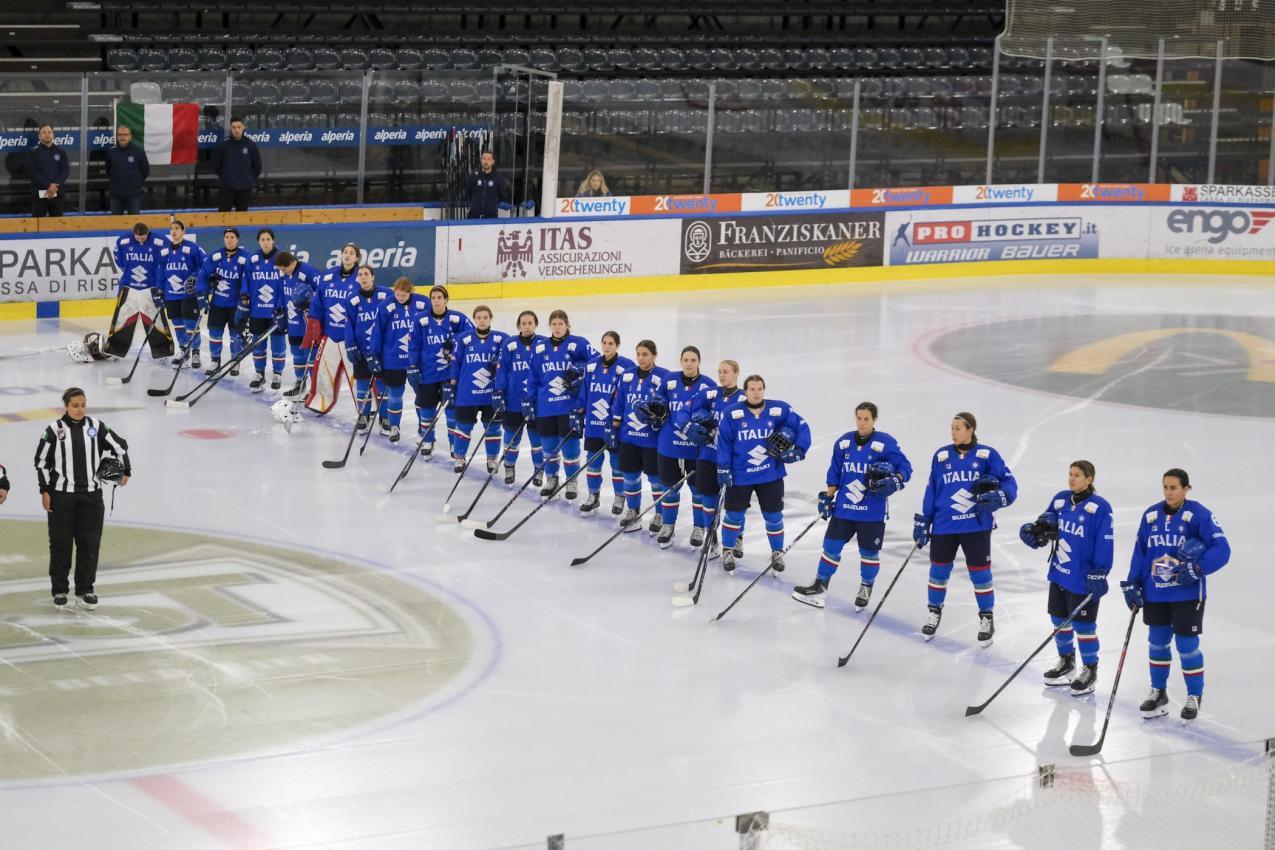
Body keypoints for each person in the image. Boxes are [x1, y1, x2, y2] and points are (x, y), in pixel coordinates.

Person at [1121, 468, 1230, 722]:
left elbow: (1222, 548)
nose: (1169, 492)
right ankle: (1159, 692)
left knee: (1186, 645)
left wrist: (1198, 567)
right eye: (1165, 487)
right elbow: (1141, 551)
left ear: (1186, 488)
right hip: (1156, 591)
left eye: (1174, 488)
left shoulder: (1198, 515)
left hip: (1186, 593)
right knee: (1157, 642)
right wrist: (1133, 583)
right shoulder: (1150, 516)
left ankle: (1194, 695)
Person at [792, 401, 912, 610]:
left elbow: (905, 467)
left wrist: (897, 479)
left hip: (871, 512)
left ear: (874, 420)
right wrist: (828, 498)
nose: (862, 422)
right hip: (844, 509)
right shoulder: (844, 443)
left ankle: (866, 586)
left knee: (868, 553)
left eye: (866, 419)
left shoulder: (885, 443)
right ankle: (820, 586)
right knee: (830, 546)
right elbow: (835, 473)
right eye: (859, 418)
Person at [913, 412, 1017, 646]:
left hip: (975, 526)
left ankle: (986, 617)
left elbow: (1009, 483)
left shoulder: (987, 455)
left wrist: (1002, 495)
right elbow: (932, 490)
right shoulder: (940, 456)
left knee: (980, 574)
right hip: (944, 525)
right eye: (952, 428)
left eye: (958, 428)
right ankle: (934, 612)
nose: (953, 432)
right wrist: (924, 519)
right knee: (938, 572)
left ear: (971, 429)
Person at [1020, 460, 1114, 695]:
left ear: (1089, 479)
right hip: (1060, 573)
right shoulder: (1061, 499)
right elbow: (1046, 523)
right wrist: (1036, 533)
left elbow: (1105, 542)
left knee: (1084, 626)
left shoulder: (1100, 508)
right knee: (1058, 619)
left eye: (1078, 475)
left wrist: (1100, 571)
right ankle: (1066, 661)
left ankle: (1090, 669)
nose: (1072, 479)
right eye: (1070, 474)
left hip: (1084, 578)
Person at [33, 387, 130, 611]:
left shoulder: (96, 427)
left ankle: (85, 590)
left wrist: (126, 469)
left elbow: (120, 446)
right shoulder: (53, 430)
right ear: (66, 406)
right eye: (75, 405)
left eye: (83, 405)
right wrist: (45, 490)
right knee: (61, 545)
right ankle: (59, 590)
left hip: (92, 497)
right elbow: (41, 462)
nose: (80, 409)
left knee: (89, 544)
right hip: (61, 496)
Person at [715, 375, 811, 573]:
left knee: (774, 516)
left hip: (770, 475)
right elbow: (724, 443)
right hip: (740, 475)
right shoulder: (732, 413)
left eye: (759, 389)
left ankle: (777, 552)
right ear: (745, 391)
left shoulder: (779, 410)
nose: (756, 392)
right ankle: (728, 550)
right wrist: (723, 467)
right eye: (752, 389)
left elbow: (801, 426)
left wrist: (800, 449)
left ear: (764, 390)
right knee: (733, 515)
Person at [525, 309, 596, 497]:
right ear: (550, 326)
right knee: (548, 445)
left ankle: (572, 481)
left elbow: (597, 363)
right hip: (545, 405)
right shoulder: (540, 347)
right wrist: (529, 399)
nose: (557, 328)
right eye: (554, 324)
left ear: (567, 325)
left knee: (570, 446)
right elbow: (533, 376)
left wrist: (580, 371)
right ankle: (552, 478)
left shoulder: (579, 344)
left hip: (569, 406)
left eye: (561, 324)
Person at [652, 346, 716, 548]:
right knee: (669, 488)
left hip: (695, 450)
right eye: (686, 359)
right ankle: (669, 525)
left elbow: (715, 416)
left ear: (699, 362)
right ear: (681, 361)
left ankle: (698, 527)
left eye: (693, 360)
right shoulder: (670, 380)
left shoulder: (708, 385)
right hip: (669, 445)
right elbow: (657, 403)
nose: (689, 363)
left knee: (698, 491)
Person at [681, 360, 742, 557]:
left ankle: (737, 538)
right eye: (720, 372)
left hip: (733, 460)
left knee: (735, 504)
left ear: (736, 374)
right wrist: (699, 416)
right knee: (708, 500)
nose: (722, 375)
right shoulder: (711, 393)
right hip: (708, 455)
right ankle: (711, 536)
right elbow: (691, 406)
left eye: (726, 372)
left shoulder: (743, 398)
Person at [610, 340, 670, 531]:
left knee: (655, 479)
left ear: (654, 355)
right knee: (629, 476)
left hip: (651, 439)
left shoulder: (664, 376)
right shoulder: (627, 375)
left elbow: (668, 406)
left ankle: (659, 513)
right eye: (638, 354)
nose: (641, 358)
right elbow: (620, 401)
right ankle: (633, 510)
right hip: (629, 437)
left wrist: (661, 417)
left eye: (645, 354)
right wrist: (614, 426)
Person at [408, 285, 472, 457]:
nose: (436, 301)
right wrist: (413, 366)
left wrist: (454, 339)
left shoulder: (457, 319)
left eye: (439, 297)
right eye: (433, 298)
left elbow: (472, 335)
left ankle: (453, 443)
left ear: (446, 300)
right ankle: (428, 440)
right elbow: (413, 344)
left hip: (449, 375)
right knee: (427, 408)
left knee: (451, 410)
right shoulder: (421, 319)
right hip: (428, 373)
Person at [578, 331, 634, 517]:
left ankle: (620, 497)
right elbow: (585, 391)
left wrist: (620, 420)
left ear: (617, 345)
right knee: (593, 462)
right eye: (604, 342)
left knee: (617, 464)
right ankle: (593, 496)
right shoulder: (591, 365)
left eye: (611, 343)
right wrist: (579, 411)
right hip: (594, 424)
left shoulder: (626, 366)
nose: (607, 346)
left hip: (615, 426)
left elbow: (628, 397)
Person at [449, 306, 508, 473]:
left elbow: (509, 362)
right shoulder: (463, 339)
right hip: (467, 392)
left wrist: (501, 362)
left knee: (494, 427)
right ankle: (459, 458)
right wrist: (452, 383)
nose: (482, 320)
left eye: (485, 317)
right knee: (463, 426)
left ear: (490, 319)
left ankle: (491, 459)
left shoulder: (501, 339)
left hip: (491, 393)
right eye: (479, 317)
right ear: (474, 319)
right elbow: (456, 362)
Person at [305, 243, 361, 413]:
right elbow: (318, 302)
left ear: (357, 257)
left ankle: (367, 407)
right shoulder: (329, 275)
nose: (348, 255)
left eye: (352, 253)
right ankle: (320, 401)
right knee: (322, 371)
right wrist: (315, 326)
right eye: (345, 252)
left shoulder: (362, 277)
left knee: (359, 375)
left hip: (352, 338)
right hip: (330, 335)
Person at [106, 222, 173, 360]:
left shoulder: (161, 241)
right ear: (133, 233)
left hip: (151, 288)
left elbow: (169, 261)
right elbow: (119, 260)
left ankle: (163, 352)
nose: (140, 240)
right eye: (137, 238)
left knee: (156, 321)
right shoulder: (123, 241)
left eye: (143, 238)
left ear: (148, 232)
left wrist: (162, 285)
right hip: (128, 287)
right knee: (122, 319)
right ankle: (116, 350)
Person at [369, 278, 425, 442]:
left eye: (403, 295)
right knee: (394, 394)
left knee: (422, 395)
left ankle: (424, 426)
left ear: (410, 293)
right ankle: (394, 426)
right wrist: (374, 353)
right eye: (397, 294)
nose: (399, 298)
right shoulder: (386, 306)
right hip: (392, 359)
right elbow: (377, 330)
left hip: (417, 360)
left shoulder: (423, 303)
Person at [494, 310, 546, 486]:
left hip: (536, 402)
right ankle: (509, 467)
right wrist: (499, 391)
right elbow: (502, 370)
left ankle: (539, 471)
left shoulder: (543, 344)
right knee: (511, 437)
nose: (527, 326)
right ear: (518, 325)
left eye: (530, 323)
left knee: (536, 439)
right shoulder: (509, 345)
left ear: (535, 324)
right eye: (523, 323)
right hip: (513, 400)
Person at [195, 227, 250, 377]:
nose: (229, 239)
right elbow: (203, 276)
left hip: (236, 305)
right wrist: (202, 294)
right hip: (218, 304)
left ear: (237, 239)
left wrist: (245, 298)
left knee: (235, 335)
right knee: (215, 333)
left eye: (232, 237)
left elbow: (249, 279)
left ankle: (235, 361)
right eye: (227, 237)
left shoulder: (245, 258)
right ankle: (215, 361)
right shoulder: (215, 256)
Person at [343, 265, 391, 433]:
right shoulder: (352, 299)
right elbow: (349, 324)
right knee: (363, 383)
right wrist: (350, 346)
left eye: (366, 274)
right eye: (360, 275)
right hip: (362, 350)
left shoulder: (387, 295)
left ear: (373, 276)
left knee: (382, 383)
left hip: (381, 350)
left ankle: (385, 416)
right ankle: (363, 414)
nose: (363, 277)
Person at [242, 229, 289, 392]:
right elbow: (246, 280)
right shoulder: (252, 259)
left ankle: (277, 374)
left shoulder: (282, 258)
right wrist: (244, 297)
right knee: (258, 344)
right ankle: (259, 374)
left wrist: (283, 306)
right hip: (257, 310)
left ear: (273, 240)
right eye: (262, 239)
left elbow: (287, 283)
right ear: (258, 242)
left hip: (276, 311)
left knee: (277, 343)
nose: (265, 242)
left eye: (268, 239)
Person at [273, 250, 323, 399]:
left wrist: (310, 302)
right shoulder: (283, 274)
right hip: (293, 321)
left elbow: (322, 293)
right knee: (297, 354)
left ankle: (316, 391)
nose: (282, 272)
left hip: (308, 323)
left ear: (292, 262)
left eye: (284, 268)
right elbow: (281, 293)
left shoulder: (309, 271)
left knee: (310, 356)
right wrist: (279, 310)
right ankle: (300, 384)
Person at [157, 219, 207, 369]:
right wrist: (160, 291)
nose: (174, 231)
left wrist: (196, 277)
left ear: (183, 231)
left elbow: (205, 266)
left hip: (188, 295)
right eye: (172, 228)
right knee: (178, 324)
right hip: (171, 294)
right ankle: (184, 350)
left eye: (177, 228)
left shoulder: (193, 248)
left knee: (190, 324)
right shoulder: (164, 251)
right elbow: (160, 272)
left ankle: (196, 352)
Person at [210, 116, 262, 212]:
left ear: (243, 127)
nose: (236, 130)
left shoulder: (251, 145)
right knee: (223, 218)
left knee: (242, 219)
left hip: (244, 189)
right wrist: (226, 179)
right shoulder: (223, 146)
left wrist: (248, 179)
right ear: (230, 128)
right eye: (234, 127)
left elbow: (257, 167)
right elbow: (216, 166)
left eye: (239, 127)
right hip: (226, 188)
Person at [104, 125, 149, 215]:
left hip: (133, 194)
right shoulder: (111, 152)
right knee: (116, 223)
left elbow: (145, 171)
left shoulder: (138, 152)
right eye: (120, 135)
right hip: (116, 194)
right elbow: (108, 170)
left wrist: (136, 184)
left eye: (125, 134)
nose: (122, 137)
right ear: (117, 136)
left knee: (134, 223)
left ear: (130, 136)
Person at [26, 124, 69, 217]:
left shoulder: (61, 152)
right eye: (44, 132)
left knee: (57, 225)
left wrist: (55, 185)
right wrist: (48, 186)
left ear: (53, 135)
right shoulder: (33, 152)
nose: (47, 134)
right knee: (37, 226)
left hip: (57, 193)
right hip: (39, 194)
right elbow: (32, 173)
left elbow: (65, 171)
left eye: (49, 132)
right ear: (39, 136)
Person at [467, 151, 511, 219]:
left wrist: (492, 205)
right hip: (473, 216)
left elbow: (503, 195)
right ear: (481, 160)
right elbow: (468, 192)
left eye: (488, 159)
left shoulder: (498, 177)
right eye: (484, 159)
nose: (486, 161)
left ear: (493, 162)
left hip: (491, 217)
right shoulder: (474, 175)